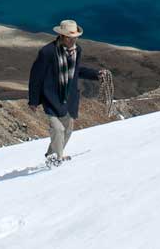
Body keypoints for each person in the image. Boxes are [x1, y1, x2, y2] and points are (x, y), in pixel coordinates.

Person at [27, 19, 109, 167]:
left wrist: (96, 74)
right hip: (50, 96)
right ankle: (58, 159)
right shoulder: (47, 52)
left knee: (68, 130)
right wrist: (33, 100)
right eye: (70, 38)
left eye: (75, 37)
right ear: (62, 36)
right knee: (58, 129)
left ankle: (51, 155)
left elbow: (77, 71)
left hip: (68, 97)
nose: (73, 40)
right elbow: (36, 77)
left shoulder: (77, 51)